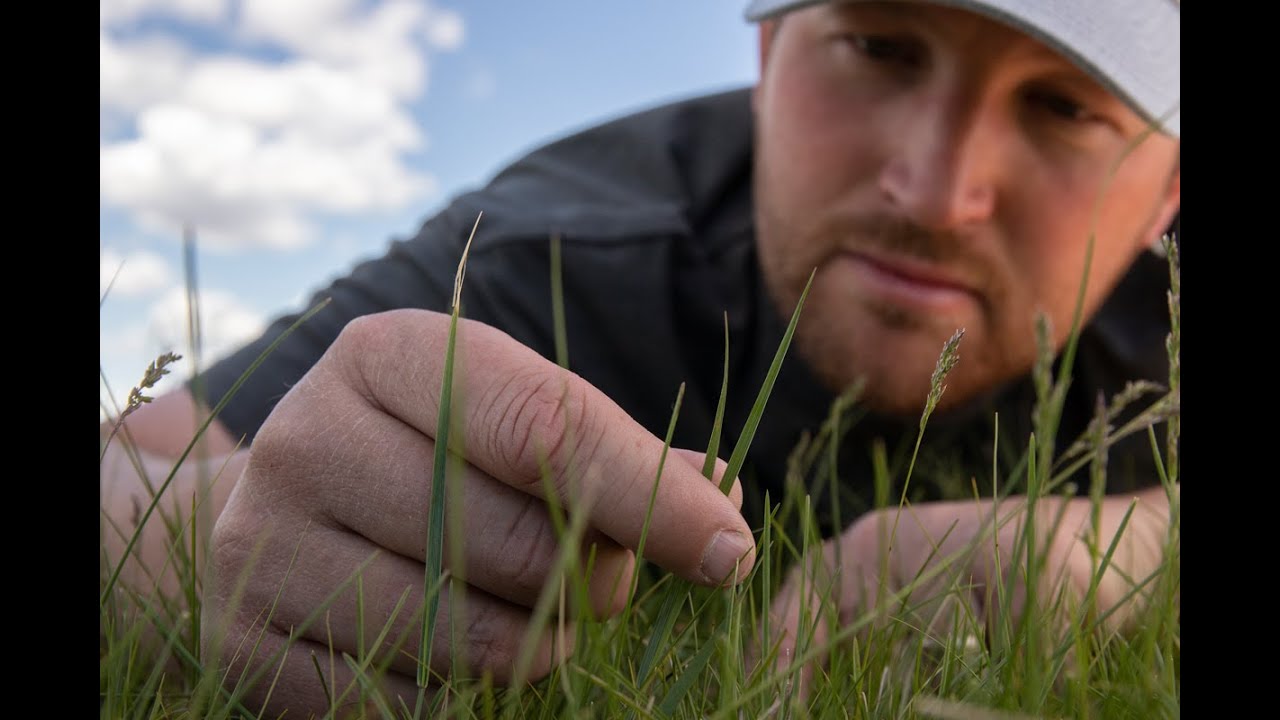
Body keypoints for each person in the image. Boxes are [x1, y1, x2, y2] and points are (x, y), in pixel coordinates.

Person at [100, 0, 1180, 714]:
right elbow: (133, 458)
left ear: (1166, 195)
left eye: (1064, 107)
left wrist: (1133, 541)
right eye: (879, 47)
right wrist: (196, 547)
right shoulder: (552, 252)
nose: (936, 191)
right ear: (766, 56)